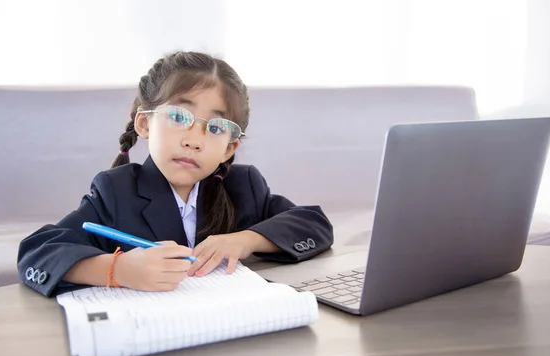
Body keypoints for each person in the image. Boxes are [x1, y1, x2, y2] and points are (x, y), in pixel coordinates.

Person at [17, 51, 334, 297]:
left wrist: (247, 239)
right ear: (144, 124)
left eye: (215, 127)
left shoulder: (243, 186)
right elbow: (38, 252)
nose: (193, 140)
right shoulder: (117, 191)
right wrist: (118, 269)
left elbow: (314, 224)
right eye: (178, 116)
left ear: (229, 148)